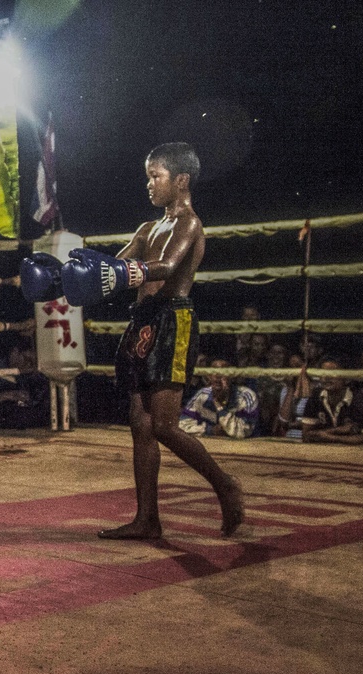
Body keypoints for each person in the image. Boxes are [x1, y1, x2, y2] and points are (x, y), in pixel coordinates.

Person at [45, 143, 243, 539]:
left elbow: (166, 267)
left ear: (181, 180)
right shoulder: (147, 229)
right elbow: (113, 266)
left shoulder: (189, 223)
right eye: (148, 176)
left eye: (157, 176)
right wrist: (66, 275)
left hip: (174, 320)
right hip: (142, 322)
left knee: (166, 426)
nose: (149, 184)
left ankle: (225, 486)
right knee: (140, 424)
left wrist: (116, 273)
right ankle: (147, 519)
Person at [301, 357, 363, 445]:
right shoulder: (316, 396)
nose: (326, 377)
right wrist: (339, 430)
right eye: (323, 372)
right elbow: (306, 436)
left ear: (347, 378)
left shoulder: (359, 399)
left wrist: (330, 437)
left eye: (333, 372)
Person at [179, 359, 260, 438]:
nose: (218, 376)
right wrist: (210, 430)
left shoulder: (246, 396)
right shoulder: (203, 395)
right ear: (209, 376)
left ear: (231, 376)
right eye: (214, 372)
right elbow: (182, 424)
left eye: (223, 372)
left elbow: (242, 432)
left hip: (246, 447)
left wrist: (219, 405)